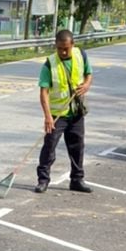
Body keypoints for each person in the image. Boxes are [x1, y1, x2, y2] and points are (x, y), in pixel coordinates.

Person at [34, 29, 93, 194]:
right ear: (56, 46)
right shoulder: (49, 64)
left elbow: (89, 74)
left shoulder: (81, 55)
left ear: (72, 45)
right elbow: (43, 92)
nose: (63, 52)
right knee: (49, 147)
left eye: (66, 48)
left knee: (77, 147)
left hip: (76, 112)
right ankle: (43, 180)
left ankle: (77, 180)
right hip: (56, 114)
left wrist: (87, 85)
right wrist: (47, 117)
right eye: (60, 48)